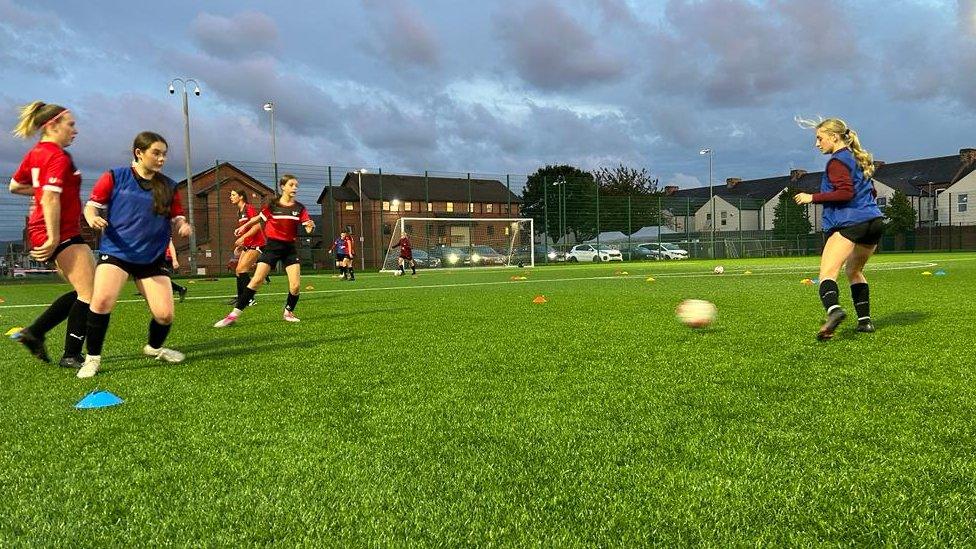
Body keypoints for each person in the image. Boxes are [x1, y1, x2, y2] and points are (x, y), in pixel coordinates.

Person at [76, 131, 192, 378]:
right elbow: (91, 205)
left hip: (151, 257)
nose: (161, 159)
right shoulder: (114, 177)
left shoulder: (169, 186)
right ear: (139, 153)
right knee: (102, 302)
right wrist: (92, 218)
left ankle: (154, 348)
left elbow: (178, 215)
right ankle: (92, 359)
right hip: (117, 252)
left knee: (164, 315)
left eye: (164, 154)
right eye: (156, 153)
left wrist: (182, 224)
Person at [8, 101, 93, 368]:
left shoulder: (37, 153)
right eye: (70, 124)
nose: (74, 130)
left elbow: (14, 185)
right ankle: (70, 355)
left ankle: (35, 333)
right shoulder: (55, 156)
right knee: (90, 294)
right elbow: (51, 199)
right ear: (51, 125)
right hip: (57, 230)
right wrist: (54, 238)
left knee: (87, 290)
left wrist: (42, 191)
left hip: (54, 229)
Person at [794, 117, 884, 340]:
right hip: (874, 222)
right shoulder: (856, 158)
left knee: (827, 274)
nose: (817, 144)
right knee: (854, 271)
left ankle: (834, 311)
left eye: (819, 138)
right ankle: (865, 323)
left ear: (834, 137)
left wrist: (811, 197)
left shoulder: (836, 162)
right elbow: (871, 193)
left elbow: (845, 193)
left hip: (851, 223)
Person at [213, 174, 314, 327]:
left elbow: (308, 229)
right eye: (292, 185)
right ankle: (232, 316)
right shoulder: (273, 206)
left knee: (295, 286)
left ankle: (288, 311)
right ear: (283, 187)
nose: (295, 188)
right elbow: (258, 219)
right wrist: (243, 226)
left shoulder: (300, 208)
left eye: (296, 185)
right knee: (256, 280)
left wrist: (310, 226)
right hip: (272, 247)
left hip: (290, 249)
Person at [227, 188, 266, 305]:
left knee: (241, 270)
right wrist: (241, 244)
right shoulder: (239, 212)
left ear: (241, 197)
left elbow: (257, 227)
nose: (231, 197)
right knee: (238, 271)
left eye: (233, 194)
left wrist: (242, 238)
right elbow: (246, 230)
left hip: (257, 244)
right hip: (248, 245)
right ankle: (241, 297)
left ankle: (250, 298)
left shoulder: (249, 208)